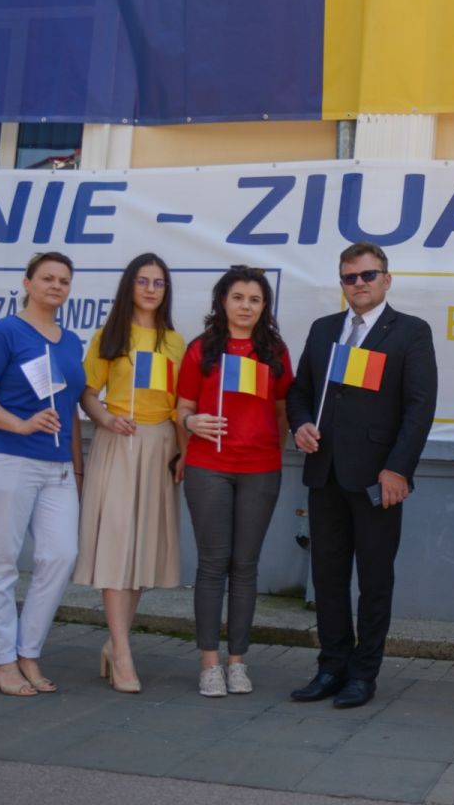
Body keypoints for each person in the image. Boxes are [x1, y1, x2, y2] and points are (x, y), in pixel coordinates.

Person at [286, 242, 437, 709]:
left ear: (386, 280)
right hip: (325, 473)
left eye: (368, 275)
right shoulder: (324, 329)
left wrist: (398, 469)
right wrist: (300, 424)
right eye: (350, 277)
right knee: (328, 578)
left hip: (378, 479)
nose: (359, 284)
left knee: (374, 581)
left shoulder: (410, 331)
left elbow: (419, 409)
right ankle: (331, 667)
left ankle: (363, 674)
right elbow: (299, 392)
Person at [0, 251, 85, 696]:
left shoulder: (70, 341)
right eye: (48, 278)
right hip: (7, 461)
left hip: (58, 469)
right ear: (28, 283)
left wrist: (77, 468)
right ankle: (0, 660)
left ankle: (27, 652)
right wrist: (20, 424)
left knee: (60, 556)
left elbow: (71, 409)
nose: (56, 286)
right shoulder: (5, 333)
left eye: (64, 281)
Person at [175, 266, 292, 698]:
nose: (246, 306)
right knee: (212, 565)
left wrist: (270, 449)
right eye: (238, 297)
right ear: (222, 301)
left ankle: (238, 661)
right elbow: (182, 407)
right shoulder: (201, 349)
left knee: (245, 566)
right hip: (209, 466)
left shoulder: (275, 351)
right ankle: (209, 663)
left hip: (260, 469)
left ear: (265, 306)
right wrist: (191, 423)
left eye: (255, 299)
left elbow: (282, 410)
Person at [74, 253, 185, 693]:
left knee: (141, 550)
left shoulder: (175, 342)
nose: (151, 289)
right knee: (117, 546)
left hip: (160, 447)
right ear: (129, 286)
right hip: (119, 441)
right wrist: (106, 418)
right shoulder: (109, 336)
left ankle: (114, 642)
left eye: (158, 282)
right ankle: (122, 653)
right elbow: (87, 393)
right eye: (143, 281)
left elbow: (182, 404)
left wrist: (183, 451)